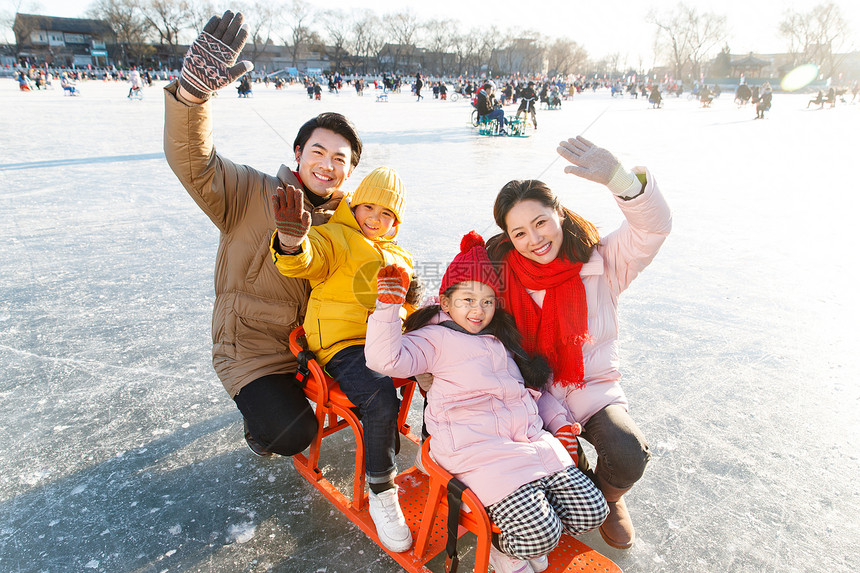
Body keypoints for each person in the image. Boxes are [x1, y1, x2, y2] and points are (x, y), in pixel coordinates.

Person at [163, 10, 363, 459]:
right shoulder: (251, 190)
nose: (327, 165)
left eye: (340, 159)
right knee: (293, 435)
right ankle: (260, 425)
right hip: (250, 347)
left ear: (350, 170)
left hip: (317, 346)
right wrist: (192, 98)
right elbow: (194, 165)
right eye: (318, 151)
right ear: (298, 152)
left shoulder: (348, 221)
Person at [366, 232, 608, 573]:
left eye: (488, 301)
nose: (478, 311)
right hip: (477, 449)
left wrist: (560, 423)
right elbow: (384, 360)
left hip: (529, 440)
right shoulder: (434, 339)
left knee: (592, 511)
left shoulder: (501, 339)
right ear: (446, 302)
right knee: (541, 535)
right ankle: (503, 550)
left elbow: (528, 391)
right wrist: (388, 306)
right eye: (467, 300)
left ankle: (529, 524)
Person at [486, 136, 672, 550]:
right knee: (547, 476)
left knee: (628, 454)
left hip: (592, 387)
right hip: (529, 394)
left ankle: (608, 498)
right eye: (518, 233)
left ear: (559, 213)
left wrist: (620, 180)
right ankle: (573, 474)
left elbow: (653, 227)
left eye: (540, 222)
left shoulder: (603, 261)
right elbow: (459, 305)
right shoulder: (499, 272)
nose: (534, 240)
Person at [269, 167, 418, 554]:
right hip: (342, 342)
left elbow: (409, 303)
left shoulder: (401, 255)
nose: (375, 217)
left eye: (386, 213)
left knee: (449, 364)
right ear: (354, 204)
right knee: (380, 395)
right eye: (368, 205)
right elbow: (304, 261)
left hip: (386, 339)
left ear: (395, 222)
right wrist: (290, 242)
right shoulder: (333, 237)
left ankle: (456, 445)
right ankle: (383, 489)